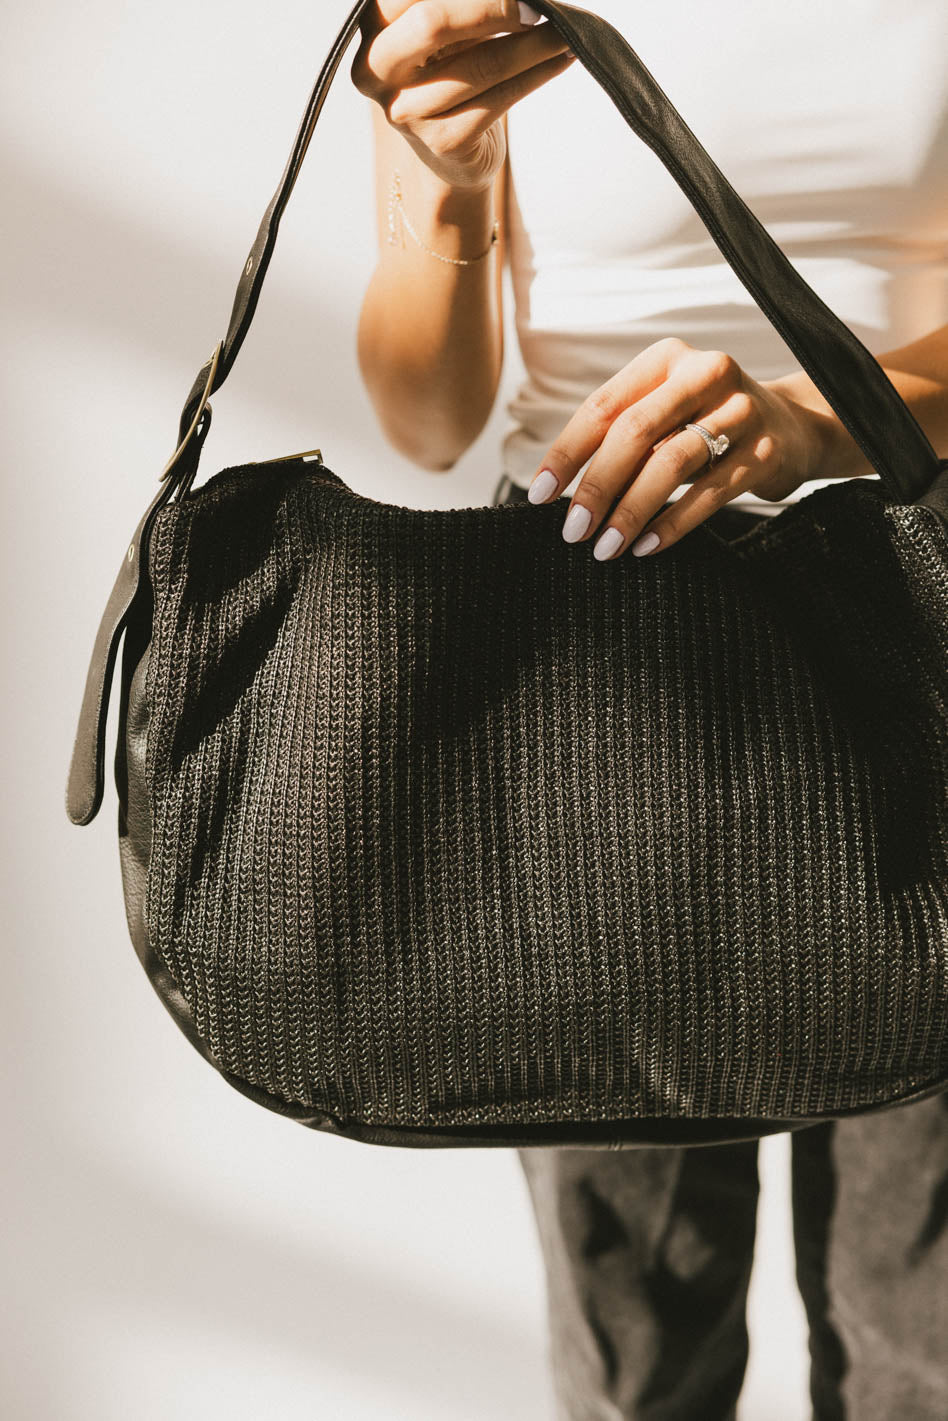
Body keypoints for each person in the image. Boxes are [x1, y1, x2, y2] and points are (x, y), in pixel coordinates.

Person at [351, 3, 948, 1416]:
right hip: (594, 658)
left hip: (919, 619)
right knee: (635, 1353)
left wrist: (818, 418)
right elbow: (427, 421)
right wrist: (444, 176)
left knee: (923, 1340)